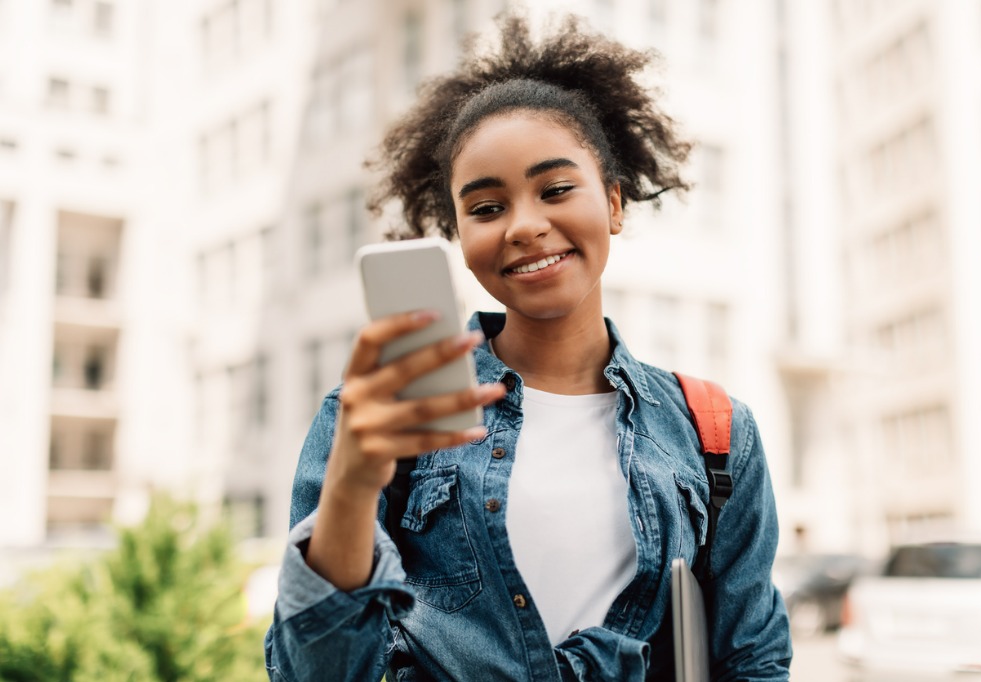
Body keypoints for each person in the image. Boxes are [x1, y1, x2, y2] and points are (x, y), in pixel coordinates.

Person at [264, 13, 791, 682]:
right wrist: (349, 488)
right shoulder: (378, 418)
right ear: (457, 231)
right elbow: (315, 675)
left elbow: (753, 659)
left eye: (556, 189)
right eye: (487, 208)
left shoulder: (713, 430)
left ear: (615, 203)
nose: (525, 226)